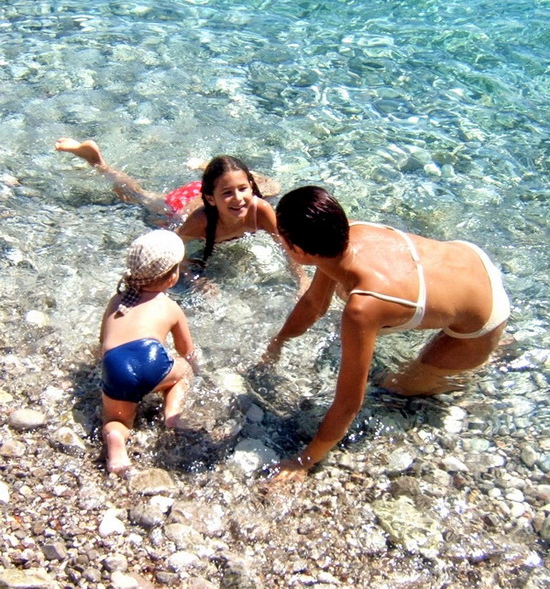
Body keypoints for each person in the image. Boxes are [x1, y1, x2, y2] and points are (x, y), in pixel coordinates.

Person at [263, 186, 510, 481]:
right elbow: (314, 304)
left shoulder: (363, 308)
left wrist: (304, 460)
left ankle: (490, 349)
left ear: (300, 252)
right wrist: (278, 342)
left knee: (397, 388)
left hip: (485, 315)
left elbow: (348, 404)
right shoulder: (350, 232)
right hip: (468, 258)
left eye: (282, 236)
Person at [55, 138, 307, 289]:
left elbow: (285, 245)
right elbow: (173, 252)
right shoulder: (199, 222)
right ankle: (99, 163)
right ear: (212, 198)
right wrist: (194, 277)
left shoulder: (260, 210)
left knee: (273, 187)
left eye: (243, 189)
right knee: (139, 196)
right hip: (183, 204)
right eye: (230, 193)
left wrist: (302, 279)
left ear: (250, 187)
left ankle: (208, 167)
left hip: (211, 190)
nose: (239, 199)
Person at [100, 229, 197, 475]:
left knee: (117, 420)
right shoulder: (170, 307)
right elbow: (186, 350)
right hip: (151, 362)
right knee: (183, 370)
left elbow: (102, 342)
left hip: (115, 366)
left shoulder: (116, 301)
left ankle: (116, 439)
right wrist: (195, 367)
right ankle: (172, 415)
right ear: (172, 277)